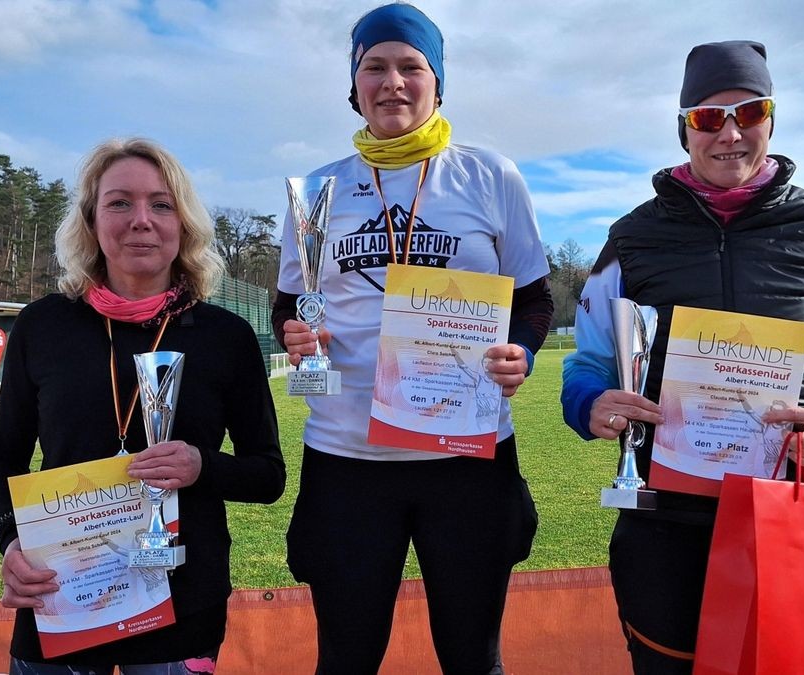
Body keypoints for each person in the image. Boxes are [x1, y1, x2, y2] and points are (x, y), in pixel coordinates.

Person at [561, 41, 804, 673]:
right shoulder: (631, 237)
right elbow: (587, 362)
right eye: (708, 117)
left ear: (772, 121)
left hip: (796, 508)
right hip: (668, 520)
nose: (730, 133)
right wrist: (591, 403)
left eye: (749, 112)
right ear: (684, 129)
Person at [273, 4, 553, 673]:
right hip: (348, 460)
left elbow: (535, 299)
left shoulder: (491, 175)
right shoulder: (318, 189)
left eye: (411, 66)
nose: (392, 82)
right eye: (375, 66)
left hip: (466, 458)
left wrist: (523, 352)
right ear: (354, 83)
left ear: (437, 81)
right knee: (345, 658)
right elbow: (292, 300)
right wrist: (295, 334)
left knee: (472, 656)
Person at [0, 138, 285, 674]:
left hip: (183, 601)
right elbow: (1, 457)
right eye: (119, 202)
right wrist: (10, 542)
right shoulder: (42, 326)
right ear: (91, 220)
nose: (141, 219)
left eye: (161, 204)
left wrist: (200, 465)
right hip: (63, 595)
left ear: (183, 224)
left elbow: (268, 475)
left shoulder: (226, 336)